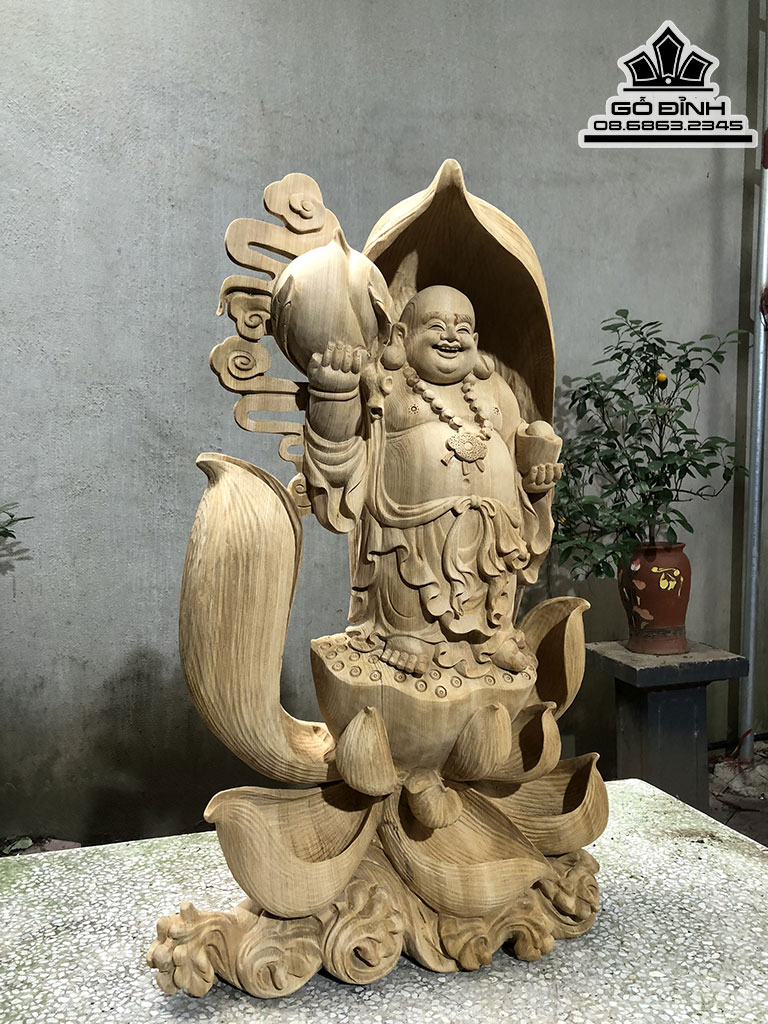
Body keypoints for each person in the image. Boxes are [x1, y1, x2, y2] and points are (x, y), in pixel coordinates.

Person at [303, 285, 561, 677]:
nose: (451, 337)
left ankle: (494, 637)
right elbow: (343, 451)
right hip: (409, 525)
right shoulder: (386, 383)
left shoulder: (494, 388)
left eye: (463, 329)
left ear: (476, 340)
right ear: (402, 336)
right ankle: (405, 634)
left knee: (493, 574)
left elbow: (518, 448)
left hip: (493, 527)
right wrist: (332, 393)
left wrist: (537, 472)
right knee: (408, 569)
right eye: (436, 326)